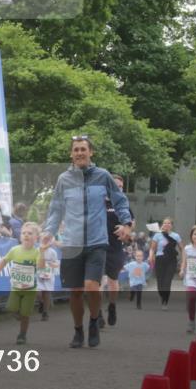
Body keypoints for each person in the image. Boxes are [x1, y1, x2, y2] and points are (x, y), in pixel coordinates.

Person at [43, 135, 132, 349]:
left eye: (83, 149)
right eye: (76, 150)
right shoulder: (64, 179)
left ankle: (93, 321)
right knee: (74, 291)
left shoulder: (103, 176)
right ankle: (77, 330)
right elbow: (56, 208)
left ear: (91, 152)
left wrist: (127, 223)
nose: (80, 153)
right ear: (71, 154)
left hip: (96, 241)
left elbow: (120, 201)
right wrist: (49, 231)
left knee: (91, 286)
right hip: (72, 242)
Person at [0, 222, 42, 345]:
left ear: (36, 237)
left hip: (30, 289)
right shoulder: (15, 250)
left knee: (25, 314)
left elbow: (41, 266)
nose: (26, 235)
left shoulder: (37, 252)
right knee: (11, 308)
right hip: (16, 287)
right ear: (20, 236)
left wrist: (42, 254)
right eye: (24, 233)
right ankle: (20, 316)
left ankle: (22, 335)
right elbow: (4, 260)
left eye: (30, 233)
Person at [102, 173, 134, 327]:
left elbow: (131, 223)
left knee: (112, 280)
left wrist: (125, 227)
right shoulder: (98, 202)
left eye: (121, 187)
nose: (119, 189)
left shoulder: (123, 204)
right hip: (98, 246)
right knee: (96, 280)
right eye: (116, 186)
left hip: (115, 248)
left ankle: (112, 305)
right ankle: (98, 312)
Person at [148, 218, 183, 311]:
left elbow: (182, 249)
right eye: (165, 223)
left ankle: (165, 301)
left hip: (171, 260)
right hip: (160, 259)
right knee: (160, 283)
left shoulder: (176, 236)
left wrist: (183, 260)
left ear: (171, 225)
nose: (166, 224)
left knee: (167, 282)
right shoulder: (157, 235)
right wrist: (151, 256)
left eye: (169, 223)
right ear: (162, 225)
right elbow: (152, 248)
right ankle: (162, 296)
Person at [37, 232, 59, 321]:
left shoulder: (52, 252)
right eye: (44, 238)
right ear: (40, 239)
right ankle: (41, 302)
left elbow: (56, 263)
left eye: (47, 239)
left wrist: (51, 265)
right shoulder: (36, 250)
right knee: (36, 290)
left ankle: (45, 313)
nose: (45, 240)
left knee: (46, 293)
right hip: (38, 273)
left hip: (48, 274)